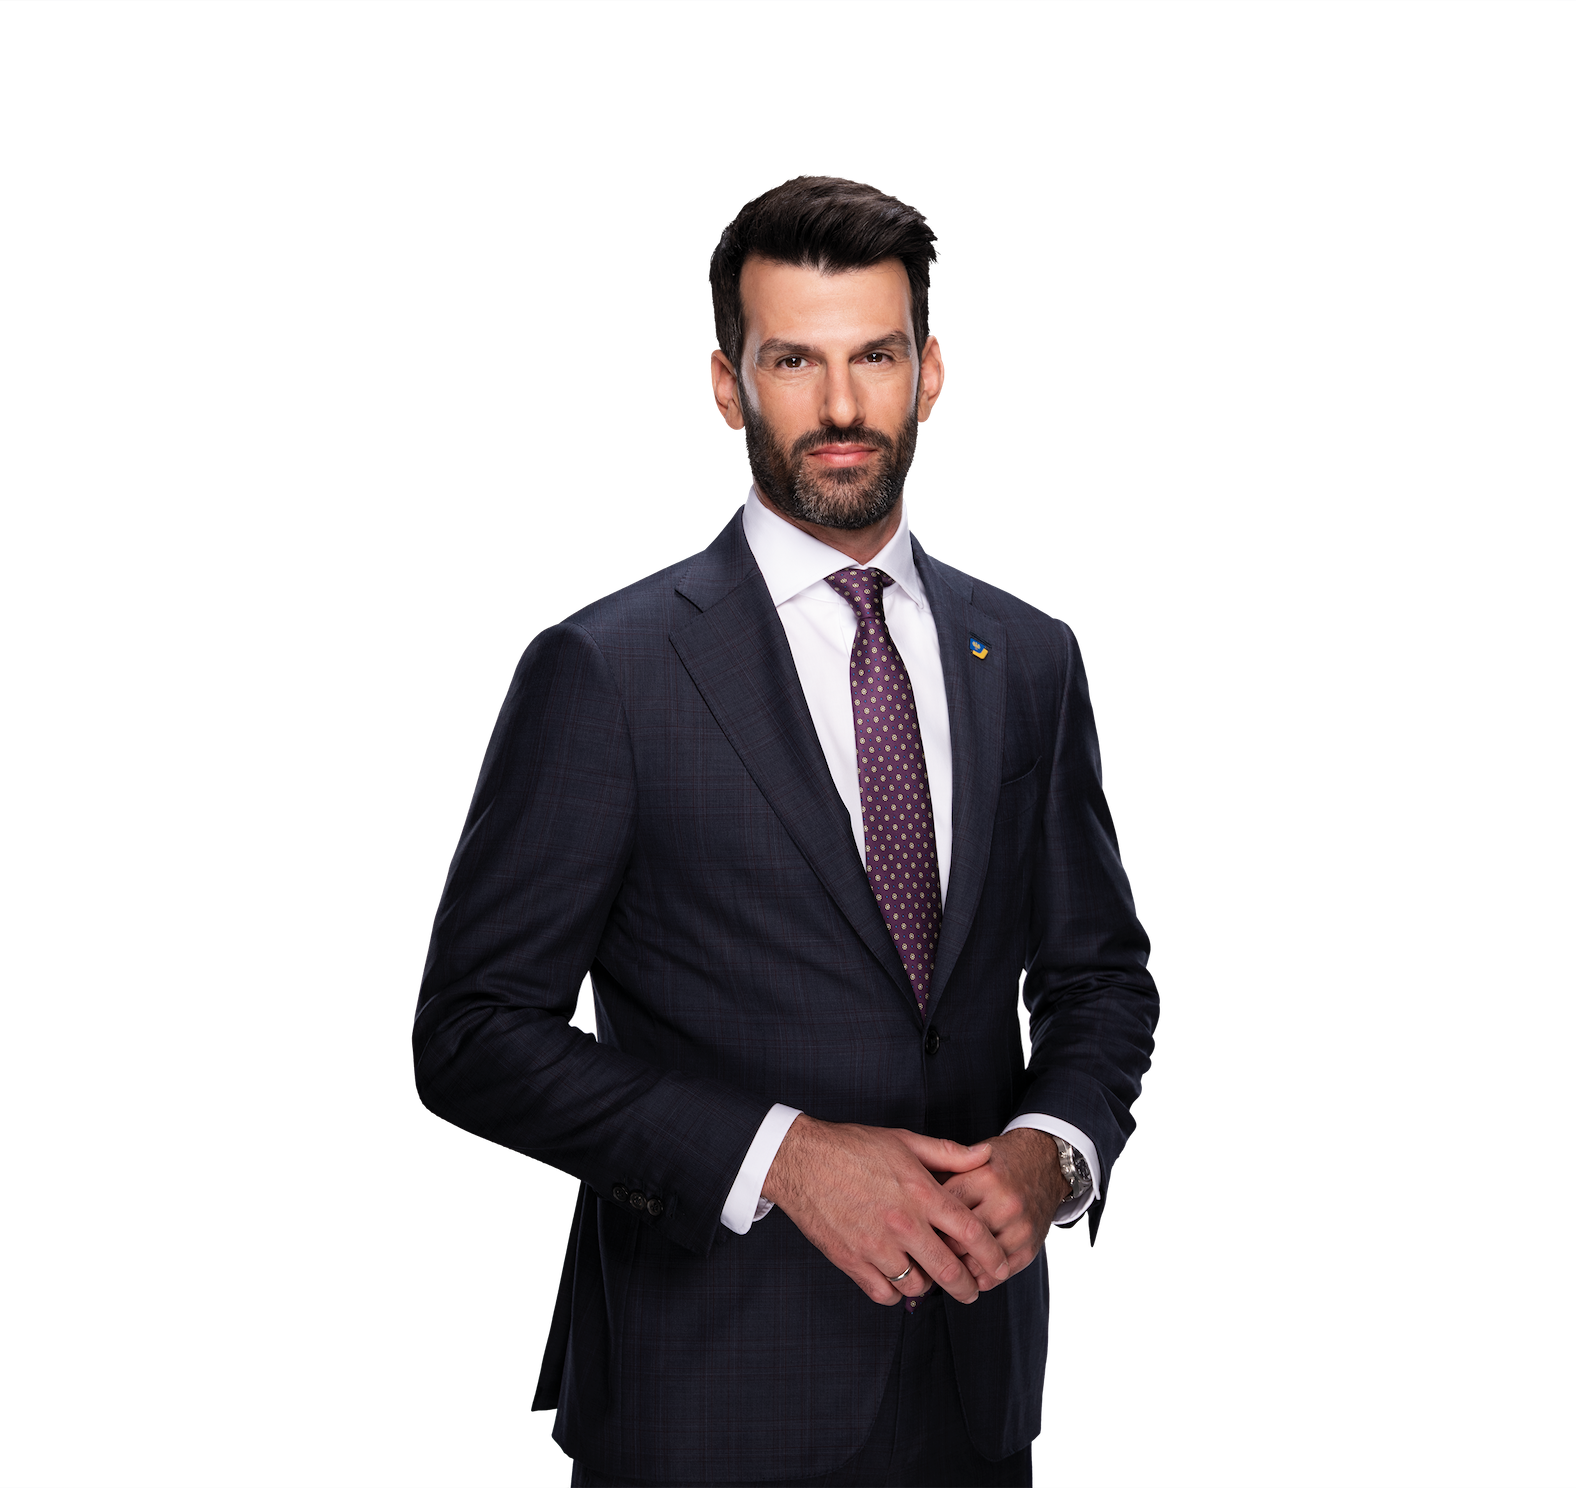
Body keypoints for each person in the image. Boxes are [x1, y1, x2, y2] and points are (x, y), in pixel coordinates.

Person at [409, 175, 1158, 1488]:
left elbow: (1101, 979)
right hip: (707, 1399)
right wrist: (782, 1157)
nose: (842, 406)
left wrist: (1054, 1154)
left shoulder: (1029, 653)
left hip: (979, 1391)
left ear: (931, 374)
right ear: (727, 385)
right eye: (793, 361)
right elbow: (471, 1031)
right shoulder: (606, 668)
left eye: (876, 356)